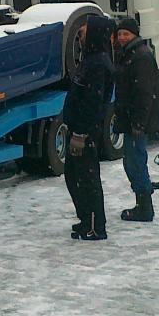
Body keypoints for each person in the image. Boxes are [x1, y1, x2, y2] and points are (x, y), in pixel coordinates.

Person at [62, 13, 116, 240]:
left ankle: (95, 225)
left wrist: (81, 133)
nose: (80, 36)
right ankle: (86, 219)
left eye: (84, 32)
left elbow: (93, 103)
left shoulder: (98, 64)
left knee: (87, 178)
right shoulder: (90, 59)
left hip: (86, 132)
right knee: (74, 176)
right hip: (78, 128)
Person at [112, 17, 159, 222]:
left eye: (126, 34)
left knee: (135, 162)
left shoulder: (140, 57)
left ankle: (145, 207)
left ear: (135, 35)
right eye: (120, 34)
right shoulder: (129, 54)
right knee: (131, 162)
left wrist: (138, 122)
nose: (122, 38)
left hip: (136, 121)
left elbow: (144, 92)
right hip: (131, 119)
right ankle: (142, 202)